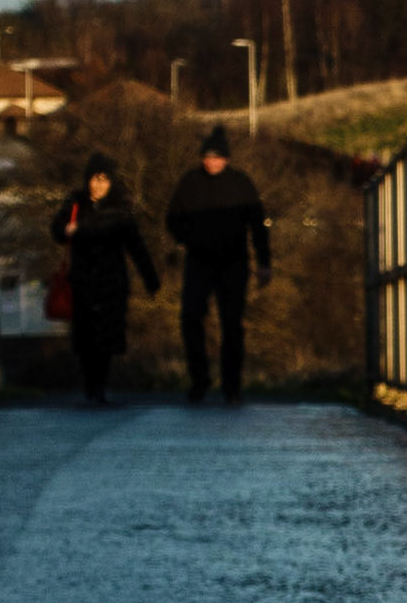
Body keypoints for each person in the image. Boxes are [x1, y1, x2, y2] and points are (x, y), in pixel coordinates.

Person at [165, 125, 272, 404]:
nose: (212, 162)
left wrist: (264, 262)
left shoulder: (241, 183)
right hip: (199, 261)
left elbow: (258, 225)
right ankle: (199, 380)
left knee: (232, 325)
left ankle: (231, 386)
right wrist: (188, 239)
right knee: (191, 319)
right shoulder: (190, 182)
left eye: (217, 157)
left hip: (233, 263)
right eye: (208, 157)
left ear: (226, 159)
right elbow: (173, 218)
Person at [49, 152, 160, 405]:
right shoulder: (75, 203)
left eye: (103, 180)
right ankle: (91, 384)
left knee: (107, 336)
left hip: (112, 282)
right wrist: (64, 231)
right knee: (86, 337)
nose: (97, 185)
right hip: (83, 281)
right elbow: (55, 229)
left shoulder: (120, 210)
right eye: (94, 179)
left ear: (111, 182)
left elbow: (137, 246)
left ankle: (99, 385)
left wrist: (150, 279)